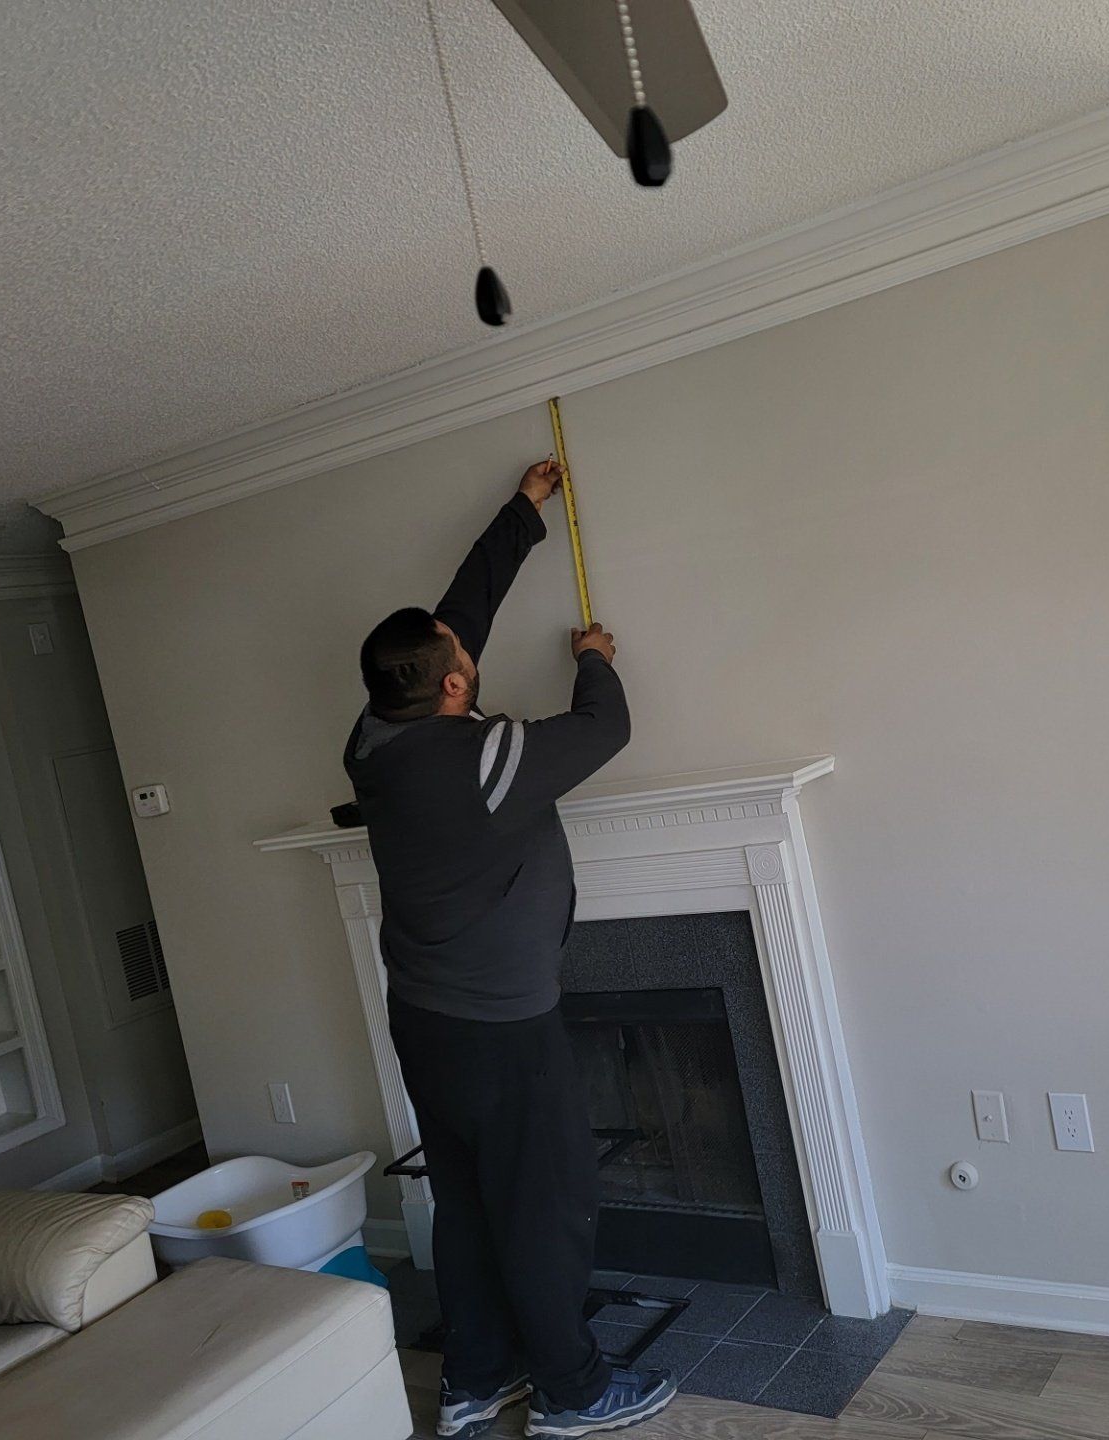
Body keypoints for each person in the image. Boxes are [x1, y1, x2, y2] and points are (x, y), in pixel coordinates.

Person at [343, 460, 674, 1439]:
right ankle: (573, 1394)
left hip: (427, 1023)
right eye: (461, 658)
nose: (466, 649)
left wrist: (523, 514)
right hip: (503, 1032)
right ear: (454, 684)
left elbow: (454, 620)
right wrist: (595, 655)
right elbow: (604, 726)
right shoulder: (486, 760)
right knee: (546, 1208)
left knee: (473, 1205)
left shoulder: (371, 738)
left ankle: (474, 1380)